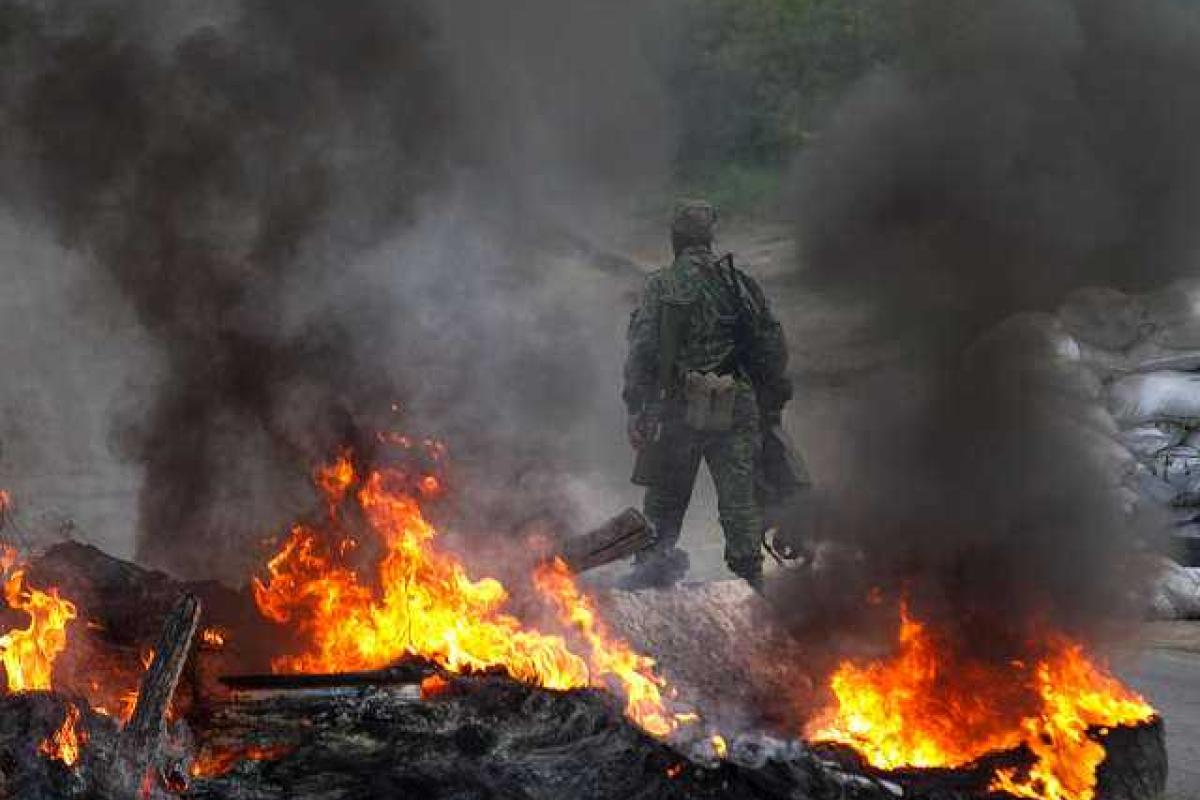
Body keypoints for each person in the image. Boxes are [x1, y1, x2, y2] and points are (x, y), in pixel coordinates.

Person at [622, 200, 792, 591]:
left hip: (678, 405)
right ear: (709, 237)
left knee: (665, 496)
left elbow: (643, 350)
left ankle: (650, 571)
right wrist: (769, 399)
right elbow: (772, 346)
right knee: (739, 497)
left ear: (675, 239)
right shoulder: (738, 283)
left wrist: (636, 406)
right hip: (734, 402)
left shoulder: (661, 285)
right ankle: (751, 576)